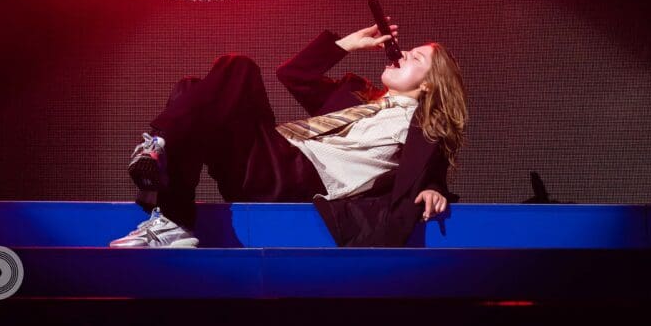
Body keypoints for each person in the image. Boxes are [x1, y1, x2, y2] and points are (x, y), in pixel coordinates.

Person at [109, 18, 467, 248]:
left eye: (416, 58)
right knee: (218, 77)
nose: (402, 54)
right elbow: (294, 75)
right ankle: (173, 213)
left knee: (209, 83)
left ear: (429, 86)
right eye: (408, 49)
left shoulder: (421, 126)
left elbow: (429, 162)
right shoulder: (355, 95)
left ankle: (163, 158)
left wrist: (435, 187)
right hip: (269, 160)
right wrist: (346, 45)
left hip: (297, 177)